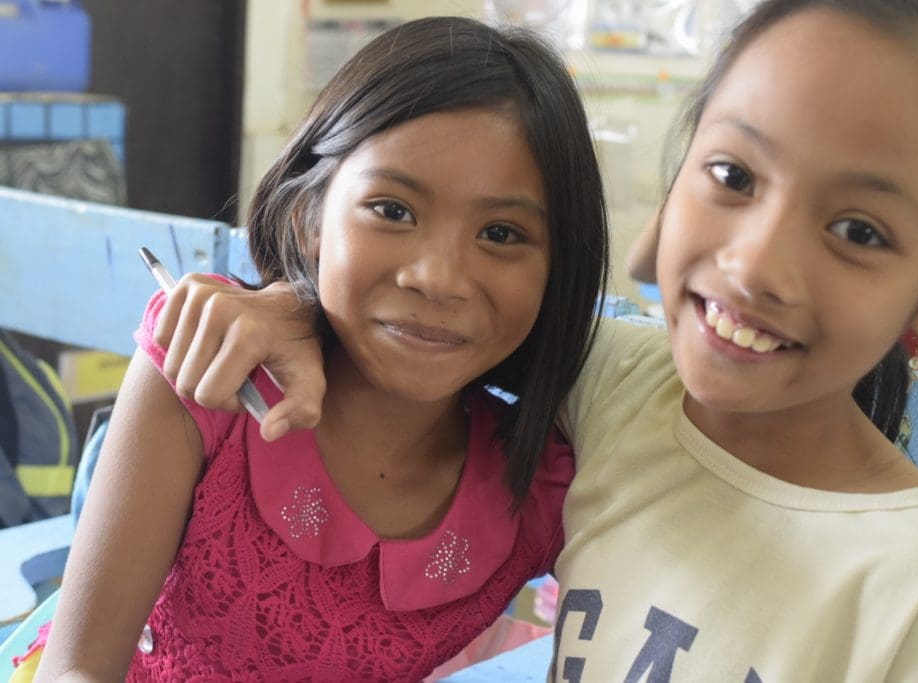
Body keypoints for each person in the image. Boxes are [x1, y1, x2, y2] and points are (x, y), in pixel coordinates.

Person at [102, 0, 918, 680]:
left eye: (858, 230)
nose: (756, 266)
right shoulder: (617, 385)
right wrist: (292, 303)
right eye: (735, 175)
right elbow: (443, 320)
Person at [32, 16, 609, 682]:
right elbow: (77, 668)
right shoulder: (213, 360)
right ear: (309, 220)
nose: (438, 278)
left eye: (501, 233)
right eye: (393, 210)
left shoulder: (542, 488)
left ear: (557, 268)